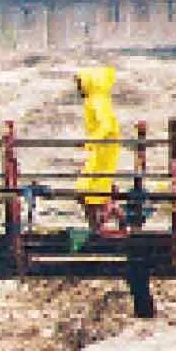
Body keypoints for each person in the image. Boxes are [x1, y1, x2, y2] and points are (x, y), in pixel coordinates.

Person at [73, 66, 121, 233]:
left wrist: (90, 141)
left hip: (104, 150)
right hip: (101, 149)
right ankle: (109, 217)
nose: (78, 87)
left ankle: (100, 225)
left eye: (79, 83)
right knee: (93, 189)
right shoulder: (96, 100)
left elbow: (106, 126)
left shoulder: (97, 101)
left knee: (87, 189)